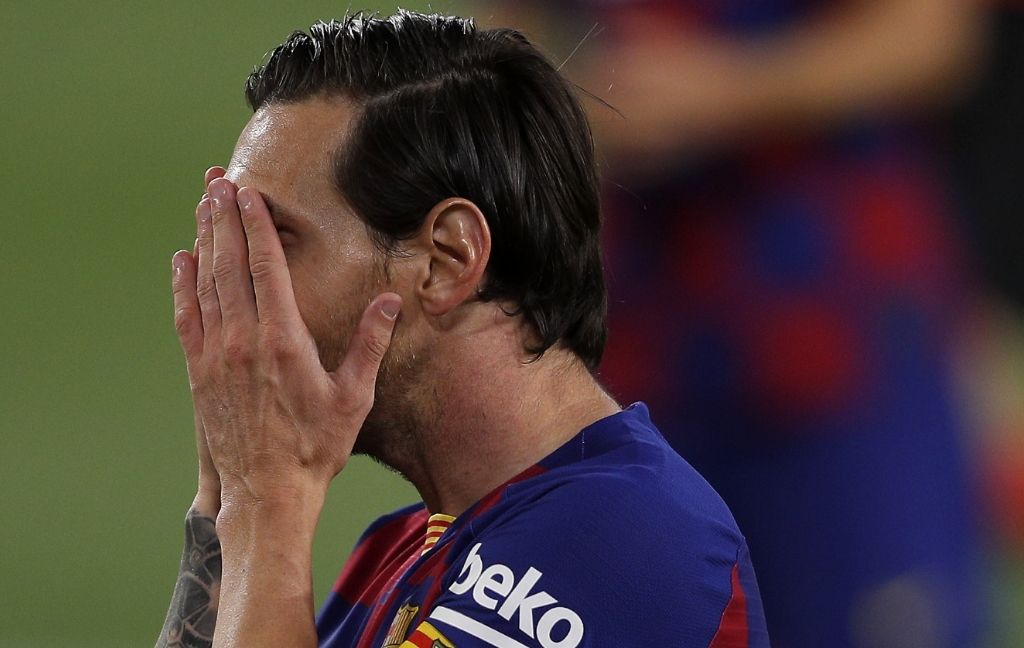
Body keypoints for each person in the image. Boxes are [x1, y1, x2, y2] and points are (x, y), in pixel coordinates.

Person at [154, 10, 769, 648]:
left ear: (447, 260)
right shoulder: (393, 552)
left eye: (274, 241)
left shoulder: (623, 538)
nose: (230, 290)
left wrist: (264, 498)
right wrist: (226, 495)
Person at [482, 1, 987, 646]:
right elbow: (513, 29)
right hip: (639, 337)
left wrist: (727, 90)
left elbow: (930, 35)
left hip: (841, 345)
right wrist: (567, 106)